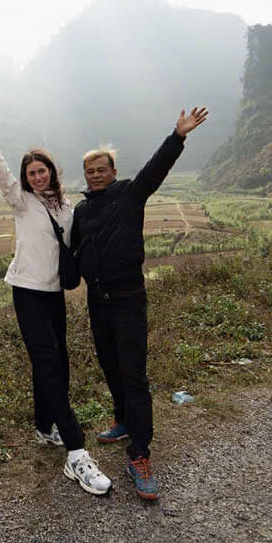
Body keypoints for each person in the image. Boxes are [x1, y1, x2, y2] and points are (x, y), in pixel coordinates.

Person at [0, 93, 111, 496]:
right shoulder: (21, 201)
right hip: (26, 294)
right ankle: (76, 452)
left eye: (41, 171)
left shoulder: (66, 208)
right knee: (49, 365)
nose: (36, 177)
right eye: (31, 173)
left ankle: (45, 427)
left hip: (53, 295)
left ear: (51, 172)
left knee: (56, 361)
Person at [70, 107, 209, 501]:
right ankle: (123, 420)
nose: (95, 175)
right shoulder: (81, 210)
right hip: (98, 301)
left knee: (134, 375)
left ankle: (139, 454)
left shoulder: (130, 194)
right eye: (90, 171)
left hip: (129, 298)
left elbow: (156, 169)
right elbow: (74, 252)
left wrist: (177, 136)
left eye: (101, 170)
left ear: (113, 171)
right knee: (110, 365)